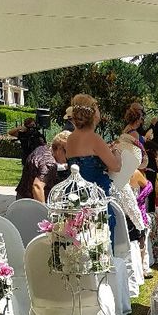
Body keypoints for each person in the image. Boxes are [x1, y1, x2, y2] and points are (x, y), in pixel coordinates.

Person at [65, 94, 122, 242]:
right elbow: (116, 166)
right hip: (96, 199)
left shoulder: (70, 139)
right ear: (93, 114)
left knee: (82, 239)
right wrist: (116, 151)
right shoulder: (94, 138)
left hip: (76, 196)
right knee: (101, 239)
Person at [16, 131, 70, 202]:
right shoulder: (49, 163)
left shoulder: (42, 148)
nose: (70, 157)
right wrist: (44, 211)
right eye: (68, 152)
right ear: (59, 148)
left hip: (21, 198)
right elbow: (37, 187)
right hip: (31, 204)